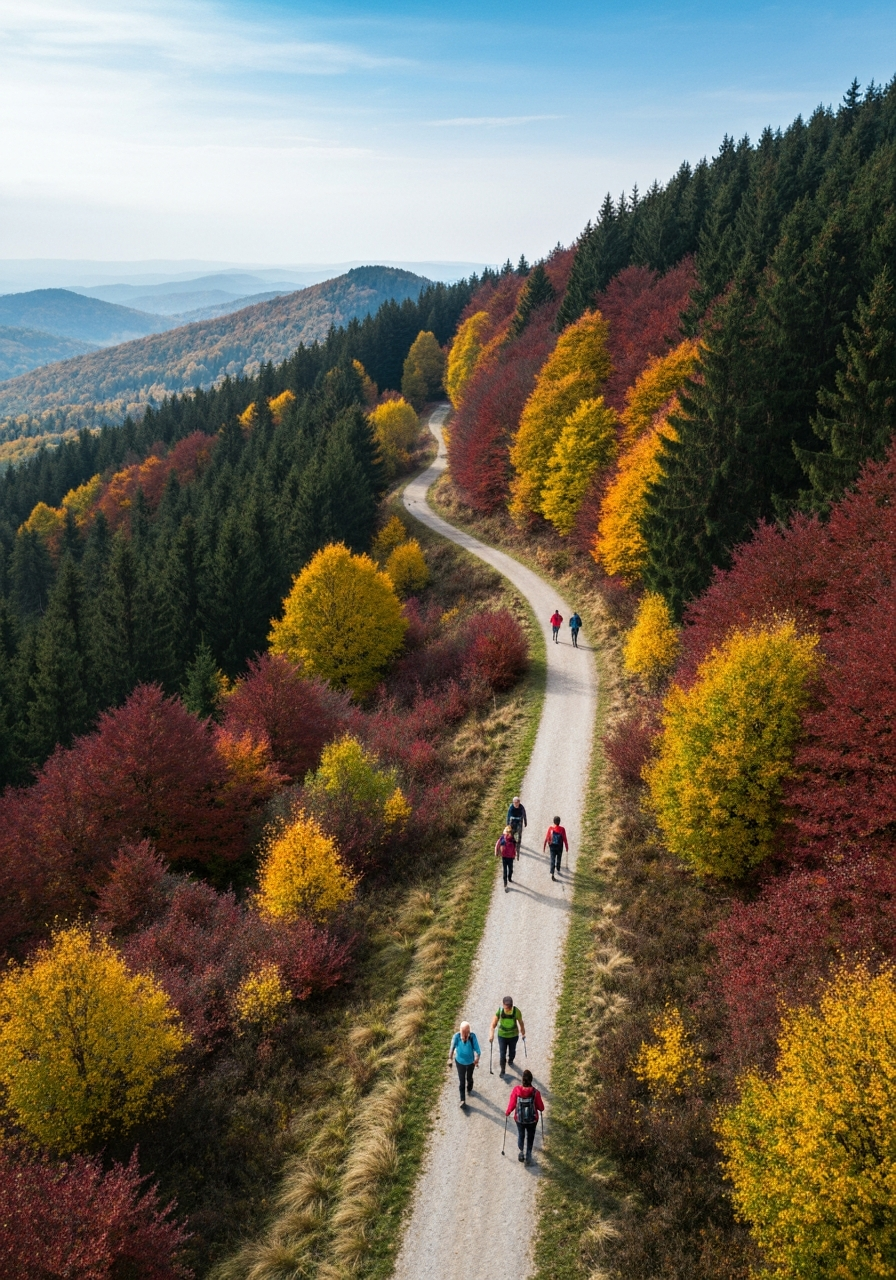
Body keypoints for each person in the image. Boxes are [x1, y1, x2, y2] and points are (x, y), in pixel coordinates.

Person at [506, 1068, 544, 1164]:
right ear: (531, 1080)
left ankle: (521, 1152)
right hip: (532, 1120)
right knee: (530, 1136)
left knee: (521, 1134)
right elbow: (541, 1108)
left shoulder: (516, 1090)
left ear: (522, 1079)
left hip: (520, 1119)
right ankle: (528, 1155)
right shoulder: (536, 1092)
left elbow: (512, 1103)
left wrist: (508, 1112)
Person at [448, 1020, 481, 1108]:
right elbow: (452, 1048)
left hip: (471, 1062)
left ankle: (469, 1087)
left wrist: (477, 1059)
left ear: (469, 1031)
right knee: (461, 1081)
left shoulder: (472, 1037)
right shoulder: (456, 1037)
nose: (465, 1034)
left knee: (469, 1078)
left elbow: (478, 1050)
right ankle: (462, 1100)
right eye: (463, 1032)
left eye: (467, 1032)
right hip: (460, 1062)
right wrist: (450, 1058)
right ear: (460, 1031)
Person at [490, 996, 525, 1074]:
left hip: (513, 1036)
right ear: (503, 1005)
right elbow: (493, 1024)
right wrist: (491, 1034)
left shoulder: (516, 1011)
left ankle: (510, 1060)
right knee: (502, 1054)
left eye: (509, 1007)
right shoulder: (500, 1011)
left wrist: (523, 1031)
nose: (508, 1009)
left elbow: (521, 1022)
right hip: (502, 1036)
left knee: (512, 1051)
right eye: (506, 1007)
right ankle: (502, 1070)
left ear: (512, 1005)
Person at [543, 815, 569, 880]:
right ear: (559, 822)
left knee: (552, 859)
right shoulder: (562, 829)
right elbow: (565, 838)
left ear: (553, 821)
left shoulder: (550, 828)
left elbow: (547, 837)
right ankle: (558, 868)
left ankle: (552, 873)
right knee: (559, 858)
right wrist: (566, 847)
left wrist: (544, 846)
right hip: (559, 847)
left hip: (552, 846)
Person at [495, 825, 519, 891]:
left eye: (509, 832)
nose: (508, 833)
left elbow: (517, 845)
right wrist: (496, 852)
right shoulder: (503, 838)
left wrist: (517, 855)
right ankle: (505, 884)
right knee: (505, 871)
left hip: (510, 857)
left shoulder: (513, 839)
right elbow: (497, 844)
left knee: (510, 870)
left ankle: (509, 878)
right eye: (508, 832)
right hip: (505, 857)